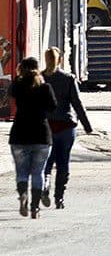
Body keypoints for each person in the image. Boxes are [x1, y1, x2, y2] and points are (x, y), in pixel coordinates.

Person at [41, 47, 92, 210]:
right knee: (63, 162)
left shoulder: (39, 79)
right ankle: (59, 198)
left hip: (46, 126)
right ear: (60, 60)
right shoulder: (69, 78)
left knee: (47, 162)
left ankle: (45, 184)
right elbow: (77, 103)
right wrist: (87, 125)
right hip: (66, 126)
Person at [8, 57, 56, 219]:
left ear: (21, 68)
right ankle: (35, 208)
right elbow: (53, 107)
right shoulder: (45, 87)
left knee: (21, 173)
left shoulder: (17, 86)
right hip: (41, 135)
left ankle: (23, 195)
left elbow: (11, 93)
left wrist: (18, 76)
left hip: (19, 135)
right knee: (38, 172)